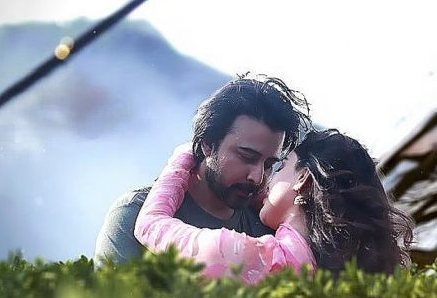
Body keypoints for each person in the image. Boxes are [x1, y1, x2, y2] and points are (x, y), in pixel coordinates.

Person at [134, 129, 413, 284]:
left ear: (302, 178)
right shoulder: (345, 271)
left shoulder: (256, 258)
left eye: (279, 167)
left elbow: (149, 224)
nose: (265, 179)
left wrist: (184, 157)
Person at [95, 75, 312, 264]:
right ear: (208, 143)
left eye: (269, 165)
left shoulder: (268, 234)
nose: (257, 177)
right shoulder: (133, 213)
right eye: (246, 157)